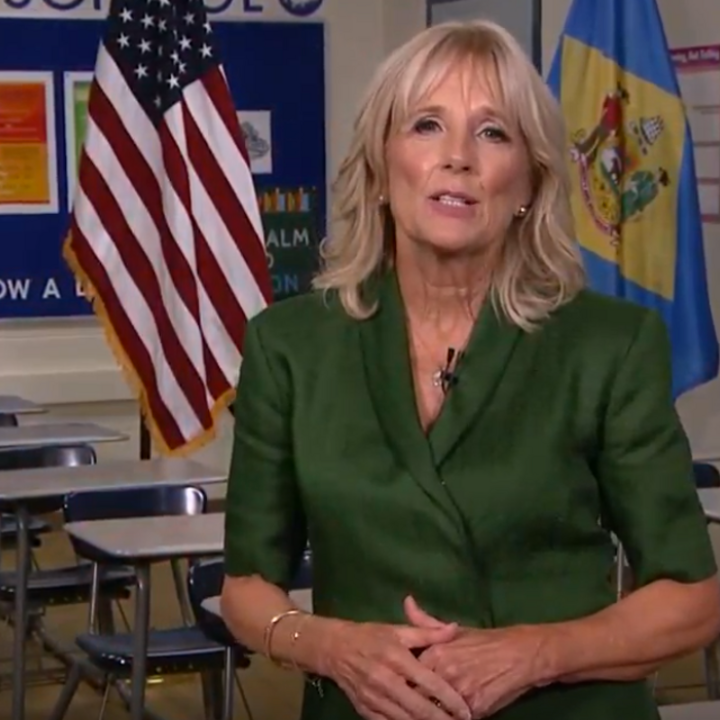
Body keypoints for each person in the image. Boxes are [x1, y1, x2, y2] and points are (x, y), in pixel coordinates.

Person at [220, 19, 720, 720]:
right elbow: (246, 588)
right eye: (427, 125)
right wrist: (331, 647)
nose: (458, 157)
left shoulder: (610, 345)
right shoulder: (289, 347)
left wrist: (535, 653)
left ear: (528, 183)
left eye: (493, 133)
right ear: (381, 165)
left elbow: (694, 601)